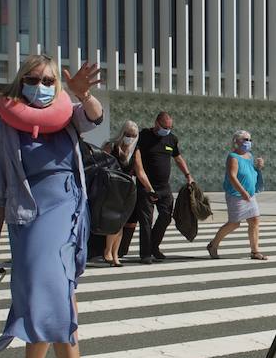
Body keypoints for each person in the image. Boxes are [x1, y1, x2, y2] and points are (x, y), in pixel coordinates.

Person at [0, 55, 107, 358]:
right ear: (20, 83)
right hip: (32, 222)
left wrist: (82, 94)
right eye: (34, 79)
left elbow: (95, 118)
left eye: (49, 80)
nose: (43, 86)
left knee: (49, 304)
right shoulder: (2, 131)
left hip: (70, 218)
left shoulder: (67, 116)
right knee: (59, 305)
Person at [135, 111, 193, 263]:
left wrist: (188, 175)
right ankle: (146, 254)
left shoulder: (171, 139)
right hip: (145, 186)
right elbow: (136, 160)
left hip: (164, 187)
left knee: (166, 217)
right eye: (164, 127)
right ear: (156, 123)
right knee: (146, 221)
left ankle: (154, 245)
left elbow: (178, 158)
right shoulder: (143, 136)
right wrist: (146, 186)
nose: (167, 130)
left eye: (169, 127)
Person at [207, 129, 267, 260]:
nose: (248, 142)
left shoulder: (250, 156)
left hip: (250, 195)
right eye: (245, 139)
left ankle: (255, 251)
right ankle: (213, 244)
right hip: (236, 195)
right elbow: (232, 176)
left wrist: (259, 166)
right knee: (234, 223)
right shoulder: (233, 157)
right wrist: (242, 192)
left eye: (250, 140)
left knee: (254, 220)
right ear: (237, 141)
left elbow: (251, 171)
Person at [102, 120, 154, 267]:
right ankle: (108, 251)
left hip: (127, 189)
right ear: (122, 133)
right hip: (112, 187)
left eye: (133, 135)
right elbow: (101, 165)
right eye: (128, 134)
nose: (130, 137)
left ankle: (115, 254)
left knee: (122, 223)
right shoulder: (111, 146)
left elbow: (140, 171)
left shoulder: (135, 150)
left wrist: (150, 189)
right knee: (115, 222)